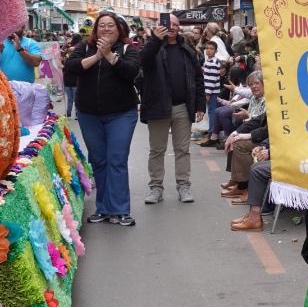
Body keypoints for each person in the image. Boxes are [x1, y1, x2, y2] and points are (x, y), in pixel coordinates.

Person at [64, 12, 142, 227]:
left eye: (111, 26)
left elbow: (131, 72)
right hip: (89, 114)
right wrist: (98, 55)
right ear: (96, 29)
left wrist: (109, 55)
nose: (106, 29)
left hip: (121, 114)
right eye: (102, 25)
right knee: (98, 160)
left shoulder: (128, 49)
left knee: (116, 159)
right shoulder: (84, 47)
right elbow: (71, 68)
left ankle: (120, 209)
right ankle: (103, 208)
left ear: (119, 30)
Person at [140, 14, 205, 204]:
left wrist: (200, 105)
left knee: (182, 150)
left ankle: (184, 186)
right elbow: (143, 61)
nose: (173, 27)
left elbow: (198, 78)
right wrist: (155, 39)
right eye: (169, 24)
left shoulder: (187, 49)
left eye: (176, 24)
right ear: (161, 26)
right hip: (158, 107)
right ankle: (156, 188)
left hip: (182, 107)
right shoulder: (153, 47)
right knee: (157, 150)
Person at [220, 72, 267, 210]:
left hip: (264, 137)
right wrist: (236, 132)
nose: (253, 87)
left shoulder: (269, 100)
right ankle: (236, 180)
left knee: (240, 144)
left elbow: (260, 124)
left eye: (257, 83)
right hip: (255, 130)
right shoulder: (254, 98)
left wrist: (242, 131)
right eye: (251, 84)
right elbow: (253, 120)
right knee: (233, 138)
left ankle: (245, 186)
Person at [199, 42, 223, 146]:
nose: (209, 50)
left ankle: (212, 134)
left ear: (216, 51)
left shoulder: (213, 62)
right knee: (210, 112)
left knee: (212, 112)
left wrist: (207, 93)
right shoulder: (209, 61)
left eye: (211, 49)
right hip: (210, 90)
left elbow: (212, 80)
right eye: (207, 48)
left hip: (211, 91)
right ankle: (211, 132)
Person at [62, 33, 82, 118]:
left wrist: (65, 46)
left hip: (67, 81)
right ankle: (77, 114)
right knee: (76, 99)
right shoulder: (77, 61)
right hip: (75, 81)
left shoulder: (66, 60)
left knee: (70, 99)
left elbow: (61, 53)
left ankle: (68, 113)